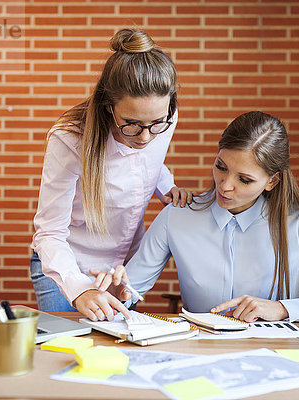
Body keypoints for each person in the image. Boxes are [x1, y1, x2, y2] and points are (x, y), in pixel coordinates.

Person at [99, 111, 299, 322]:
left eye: (244, 179)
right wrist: (115, 291)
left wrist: (284, 309)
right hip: (198, 354)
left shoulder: (298, 229)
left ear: (272, 181)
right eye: (221, 167)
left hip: (275, 356)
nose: (225, 186)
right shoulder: (177, 217)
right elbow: (127, 292)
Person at [31, 28, 192, 320]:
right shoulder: (69, 139)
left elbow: (147, 160)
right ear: (108, 107)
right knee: (65, 350)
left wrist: (166, 186)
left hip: (123, 268)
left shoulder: (164, 118)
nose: (145, 137)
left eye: (156, 124)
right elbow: (49, 233)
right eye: (131, 124)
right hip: (68, 265)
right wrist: (80, 289)